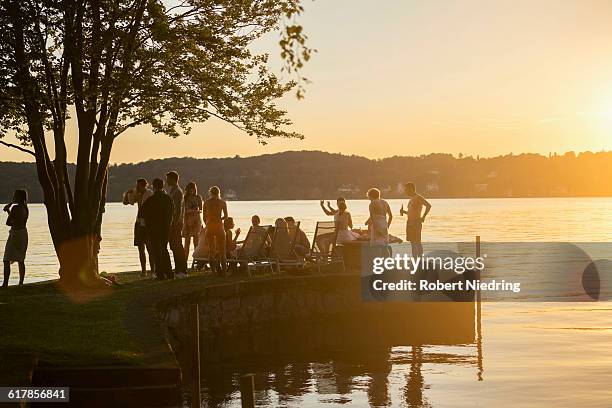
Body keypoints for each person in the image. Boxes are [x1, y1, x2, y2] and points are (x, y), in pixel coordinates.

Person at [140, 179, 174, 280]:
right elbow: (172, 212)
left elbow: (142, 213)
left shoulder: (151, 200)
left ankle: (160, 273)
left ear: (154, 187)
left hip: (153, 229)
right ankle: (169, 272)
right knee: (164, 249)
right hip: (165, 228)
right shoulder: (168, 199)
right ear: (162, 186)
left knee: (156, 251)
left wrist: (145, 226)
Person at [123, 178, 154, 276]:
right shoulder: (138, 194)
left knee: (150, 248)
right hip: (139, 223)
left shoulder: (149, 193)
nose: (137, 187)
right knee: (140, 248)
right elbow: (126, 202)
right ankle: (144, 271)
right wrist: (128, 193)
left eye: (139, 186)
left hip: (148, 223)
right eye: (137, 185)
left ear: (144, 185)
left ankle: (153, 270)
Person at [2, 189, 29, 287]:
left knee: (6, 259)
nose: (13, 197)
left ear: (18, 197)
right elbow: (17, 220)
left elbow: (9, 222)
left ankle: (5, 283)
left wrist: (8, 210)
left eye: (15, 195)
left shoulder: (15, 208)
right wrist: (9, 210)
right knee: (21, 259)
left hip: (15, 234)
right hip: (23, 234)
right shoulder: (25, 208)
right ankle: (21, 282)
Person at [165, 171, 188, 278]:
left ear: (173, 179)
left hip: (176, 223)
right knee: (174, 247)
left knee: (177, 246)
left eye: (168, 179)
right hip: (173, 223)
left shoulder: (177, 192)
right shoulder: (172, 191)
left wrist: (173, 224)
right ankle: (178, 269)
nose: (166, 181)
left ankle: (182, 270)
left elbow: (178, 210)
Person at [400, 182, 432, 258]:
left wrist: (423, 217)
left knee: (417, 242)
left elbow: (428, 206)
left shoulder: (418, 197)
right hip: (410, 222)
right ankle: (415, 259)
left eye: (406, 190)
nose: (405, 191)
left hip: (416, 222)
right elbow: (411, 212)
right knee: (412, 242)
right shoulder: (411, 199)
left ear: (411, 189)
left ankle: (420, 259)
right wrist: (404, 212)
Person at [203, 186, 228, 275]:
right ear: (218, 193)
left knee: (211, 250)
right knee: (222, 251)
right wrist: (219, 219)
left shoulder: (206, 202)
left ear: (210, 193)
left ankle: (213, 272)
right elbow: (226, 217)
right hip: (219, 226)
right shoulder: (222, 202)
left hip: (209, 226)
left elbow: (204, 218)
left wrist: (208, 224)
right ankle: (224, 273)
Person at [182, 182, 203, 259]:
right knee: (187, 243)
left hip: (196, 220)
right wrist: (190, 211)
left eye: (193, 189)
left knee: (196, 242)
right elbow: (184, 210)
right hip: (188, 221)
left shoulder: (198, 197)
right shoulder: (185, 198)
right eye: (190, 189)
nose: (192, 190)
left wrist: (195, 211)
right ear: (188, 189)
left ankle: (197, 261)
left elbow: (201, 209)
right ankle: (184, 262)